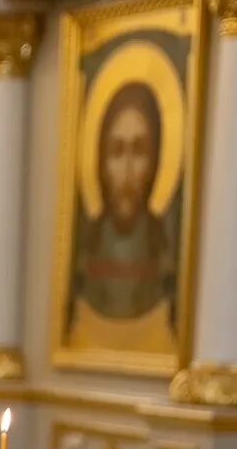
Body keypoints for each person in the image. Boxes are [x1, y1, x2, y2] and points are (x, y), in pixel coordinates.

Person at [73, 81, 175, 325]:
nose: (127, 171)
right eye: (117, 151)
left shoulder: (163, 247)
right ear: (101, 160)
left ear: (155, 161)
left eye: (138, 151)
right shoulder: (88, 245)